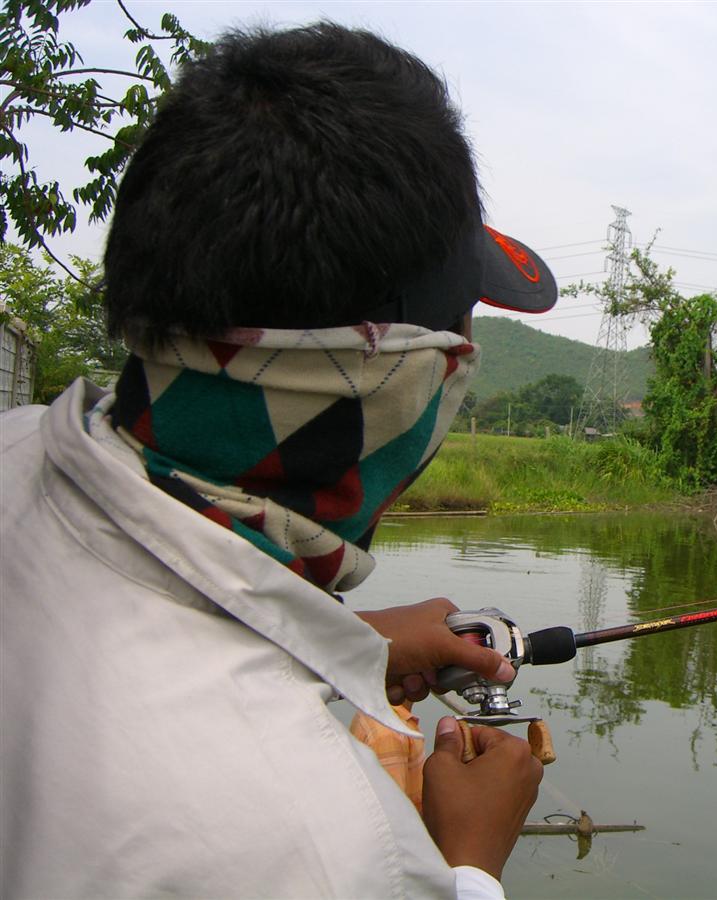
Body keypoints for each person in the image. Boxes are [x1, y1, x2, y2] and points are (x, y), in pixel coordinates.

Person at [0, 22, 558, 899]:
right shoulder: (321, 855)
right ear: (396, 382)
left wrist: (335, 644)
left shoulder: (16, 446)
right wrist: (464, 868)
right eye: (462, 336)